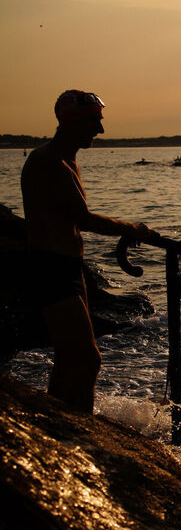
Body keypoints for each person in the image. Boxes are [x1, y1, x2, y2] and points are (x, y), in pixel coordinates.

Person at [20, 90, 156, 414]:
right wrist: (131, 229)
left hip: (67, 266)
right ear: (72, 122)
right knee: (85, 358)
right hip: (50, 267)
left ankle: (64, 419)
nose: (100, 130)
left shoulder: (67, 160)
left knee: (72, 357)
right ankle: (75, 424)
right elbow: (83, 218)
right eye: (95, 121)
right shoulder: (50, 162)